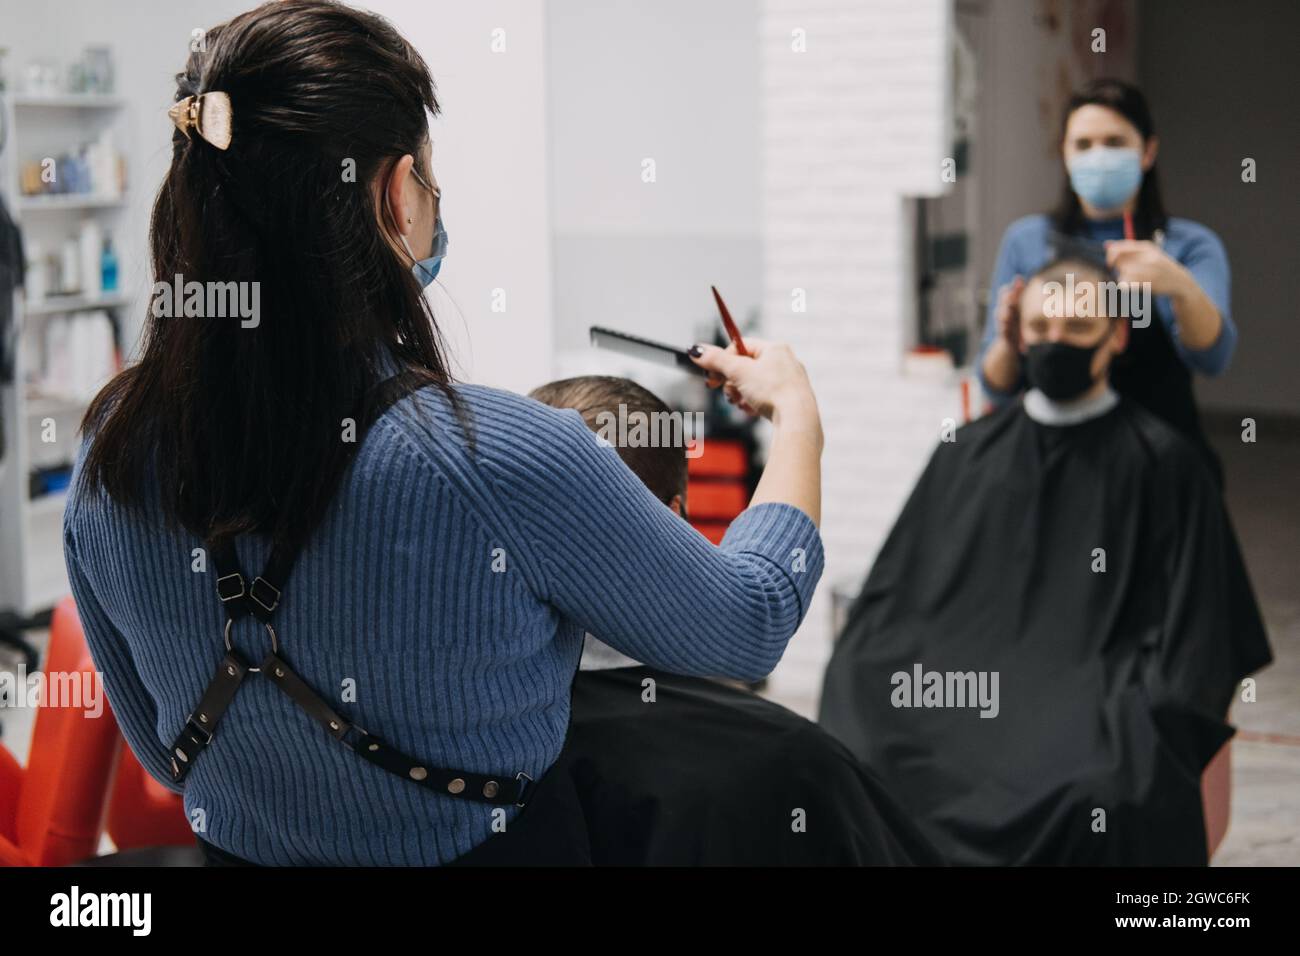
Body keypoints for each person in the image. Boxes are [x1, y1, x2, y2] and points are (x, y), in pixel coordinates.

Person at [62, 0, 824, 867]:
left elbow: (167, 751)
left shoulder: (109, 451)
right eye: (427, 178)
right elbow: (752, 619)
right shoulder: (502, 457)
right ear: (393, 192)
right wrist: (797, 419)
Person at [819, 258, 1272, 865]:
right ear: (1018, 333)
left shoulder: (1167, 464)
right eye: (1042, 326)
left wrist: (1146, 713)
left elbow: (1202, 642)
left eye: (1079, 327)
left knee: (1104, 789)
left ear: (1117, 335)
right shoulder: (968, 455)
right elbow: (893, 605)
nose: (1056, 341)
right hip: (962, 692)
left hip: (1091, 701)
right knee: (865, 727)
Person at [529, 375, 939, 865]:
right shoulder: (792, 759)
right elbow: (760, 600)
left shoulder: (446, 727)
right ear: (675, 521)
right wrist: (795, 413)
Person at [977, 79, 1235, 480]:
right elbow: (994, 386)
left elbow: (1213, 358)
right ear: (1064, 152)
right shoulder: (1026, 241)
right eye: (1083, 144)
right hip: (1052, 463)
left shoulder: (1189, 245)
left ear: (1148, 151)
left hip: (1159, 464)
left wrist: (1181, 287)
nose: (1098, 156)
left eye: (1115, 142)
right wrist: (1010, 343)